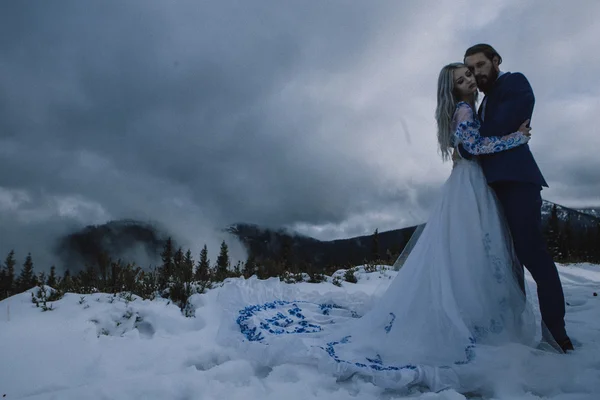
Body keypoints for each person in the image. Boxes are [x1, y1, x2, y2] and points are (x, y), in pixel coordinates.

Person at [218, 61, 546, 393]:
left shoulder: (468, 107)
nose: (469, 82)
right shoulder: (464, 110)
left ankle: (475, 316)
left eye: (469, 76)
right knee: (469, 250)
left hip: (469, 186)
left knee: (469, 252)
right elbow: (475, 148)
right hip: (470, 187)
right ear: (453, 89)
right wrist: (514, 138)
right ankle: (473, 320)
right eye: (461, 80)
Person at [463, 44, 573, 353]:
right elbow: (484, 136)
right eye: (470, 68)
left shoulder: (515, 82)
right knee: (505, 260)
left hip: (518, 181)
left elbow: (501, 126)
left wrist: (472, 139)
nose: (476, 72)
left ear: (496, 61)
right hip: (490, 186)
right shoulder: (482, 104)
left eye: (481, 64)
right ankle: (511, 330)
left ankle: (556, 334)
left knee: (532, 254)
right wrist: (472, 140)